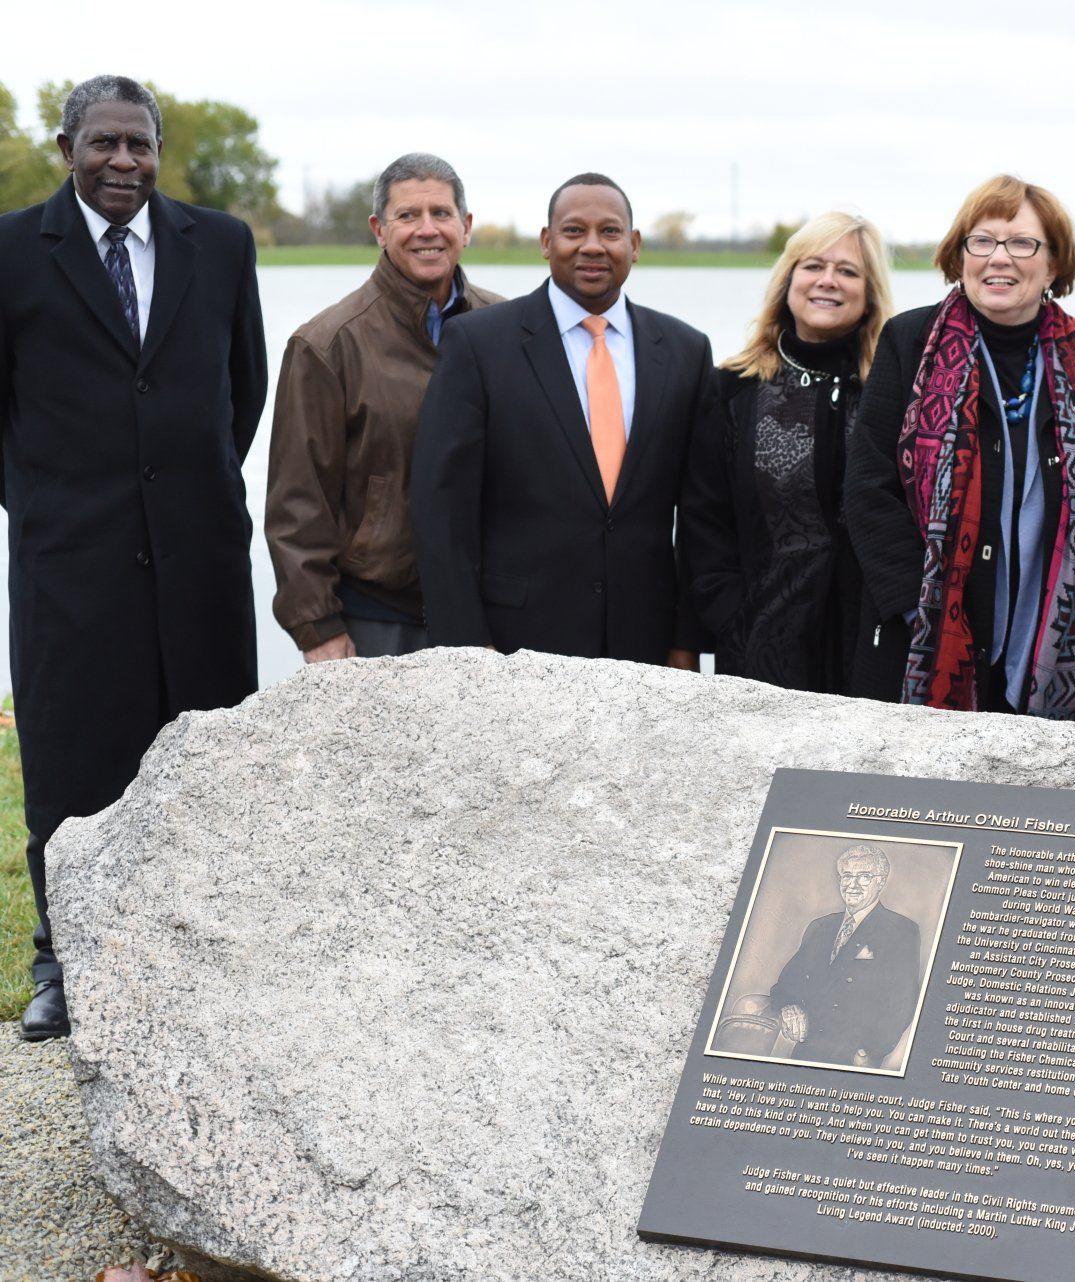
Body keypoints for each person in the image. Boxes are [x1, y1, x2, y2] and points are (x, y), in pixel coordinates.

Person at [0, 76, 267, 1040]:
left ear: (158, 151)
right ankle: (62, 962)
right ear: (65, 149)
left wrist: (180, 494)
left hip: (200, 561)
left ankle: (199, 956)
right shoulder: (11, 251)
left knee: (204, 762)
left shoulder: (221, 244)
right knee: (73, 767)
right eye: (104, 144)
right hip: (68, 563)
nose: (124, 163)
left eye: (140, 145)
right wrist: (47, 507)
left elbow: (243, 387)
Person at [844, 175, 1075, 721]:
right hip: (919, 643)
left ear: (1053, 264)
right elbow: (867, 486)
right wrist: (918, 609)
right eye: (983, 240)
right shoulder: (910, 341)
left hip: (1052, 647)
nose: (1000, 258)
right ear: (960, 253)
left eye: (1022, 243)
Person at [410, 173, 712, 666]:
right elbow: (441, 508)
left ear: (634, 246)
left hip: (645, 646)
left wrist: (685, 642)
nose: (592, 246)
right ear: (546, 243)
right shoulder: (478, 344)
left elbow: (701, 518)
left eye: (610, 232)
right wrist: (466, 645)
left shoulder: (685, 351)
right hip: (513, 645)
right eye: (574, 231)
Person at [267, 153, 504, 662]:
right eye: (408, 216)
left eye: (441, 214)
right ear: (379, 229)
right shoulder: (328, 344)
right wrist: (317, 628)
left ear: (466, 227)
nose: (427, 231)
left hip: (490, 615)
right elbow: (297, 503)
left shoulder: (508, 328)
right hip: (376, 619)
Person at [680, 212, 893, 691]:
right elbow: (703, 521)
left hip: (871, 653)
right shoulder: (733, 388)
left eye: (848, 271)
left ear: (870, 292)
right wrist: (732, 617)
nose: (828, 281)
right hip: (761, 649)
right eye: (813, 266)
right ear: (788, 280)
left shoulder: (894, 391)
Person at [769, 844, 922, 1068]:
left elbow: (902, 1000)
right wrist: (789, 1006)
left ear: (881, 882)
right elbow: (786, 984)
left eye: (864, 876)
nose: (853, 884)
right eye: (847, 876)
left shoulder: (901, 930)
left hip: (854, 1056)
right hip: (807, 1049)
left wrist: (871, 1051)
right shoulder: (820, 927)